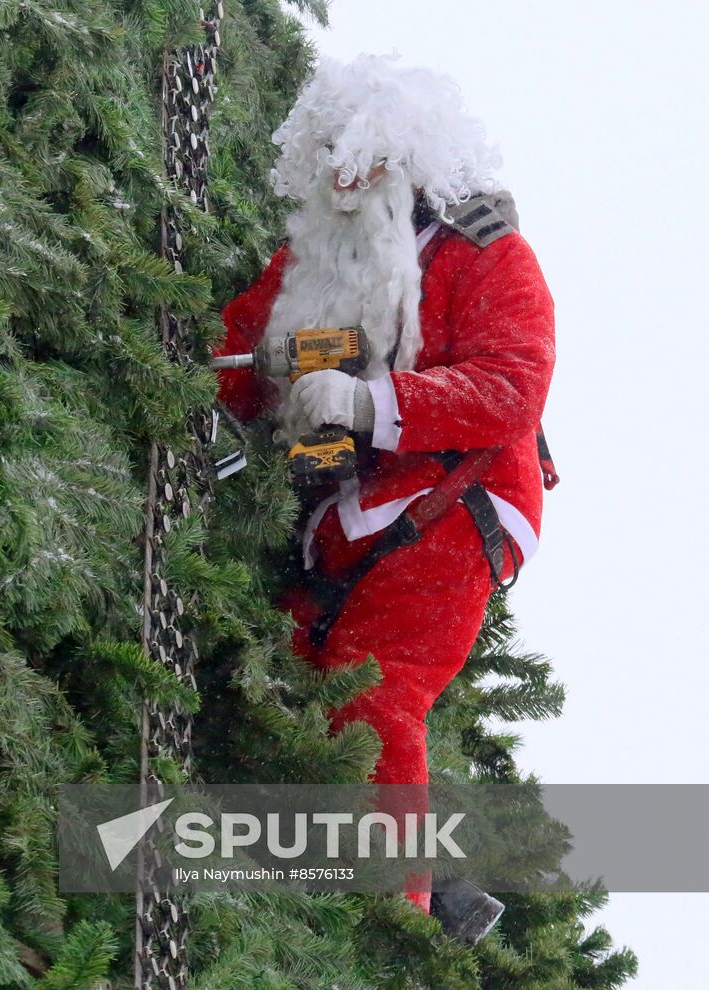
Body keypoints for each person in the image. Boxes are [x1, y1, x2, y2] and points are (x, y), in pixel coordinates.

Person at [213, 54, 556, 916]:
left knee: (377, 687)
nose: (345, 176)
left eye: (361, 157)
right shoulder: (317, 260)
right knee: (279, 676)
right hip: (343, 516)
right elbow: (245, 347)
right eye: (332, 157)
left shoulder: (486, 255)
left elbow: (512, 387)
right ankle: (420, 883)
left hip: (456, 503)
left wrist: (373, 403)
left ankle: (395, 912)